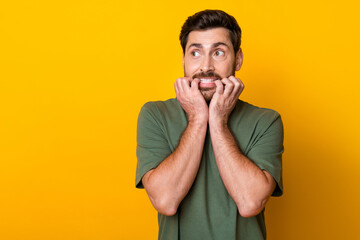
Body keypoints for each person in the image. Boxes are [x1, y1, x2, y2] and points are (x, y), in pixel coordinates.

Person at [135, 9, 284, 240]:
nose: (206, 66)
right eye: (195, 53)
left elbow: (250, 202)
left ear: (238, 58)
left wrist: (218, 120)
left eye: (218, 52)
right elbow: (165, 201)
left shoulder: (266, 121)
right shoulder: (155, 114)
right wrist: (197, 118)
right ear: (183, 59)